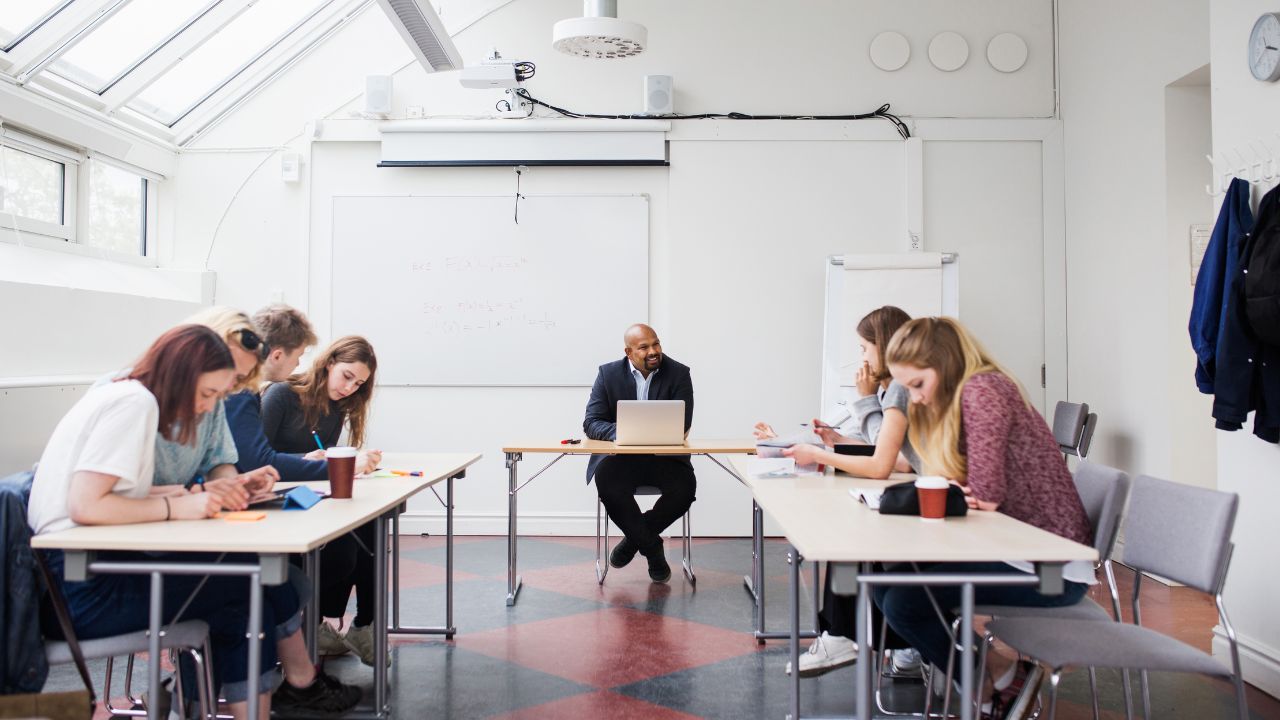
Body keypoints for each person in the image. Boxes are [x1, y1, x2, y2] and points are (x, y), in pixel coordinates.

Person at [28, 325, 361, 719]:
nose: (207, 408)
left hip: (87, 571)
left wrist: (190, 494)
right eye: (207, 394)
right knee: (253, 591)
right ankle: (227, 697)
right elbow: (85, 505)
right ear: (181, 373)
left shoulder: (131, 395)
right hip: (79, 590)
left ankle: (198, 699)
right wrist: (178, 507)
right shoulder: (135, 405)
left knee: (263, 584)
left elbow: (113, 493)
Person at [881, 317, 1093, 705]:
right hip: (1017, 549)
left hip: (1051, 567)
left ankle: (982, 683)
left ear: (943, 366)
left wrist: (968, 493)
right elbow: (964, 488)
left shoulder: (984, 391)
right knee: (886, 583)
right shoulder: (969, 394)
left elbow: (987, 494)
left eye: (917, 385)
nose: (915, 398)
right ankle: (992, 672)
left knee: (902, 600)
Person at [758, 306, 923, 678]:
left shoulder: (899, 386)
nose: (861, 357)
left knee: (850, 533)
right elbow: (893, 455)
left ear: (885, 346)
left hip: (922, 499)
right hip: (915, 488)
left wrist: (826, 446)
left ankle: (844, 636)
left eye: (865, 347)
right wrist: (840, 441)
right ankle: (887, 640)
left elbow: (889, 460)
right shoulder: (893, 387)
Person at [261, 336, 383, 665]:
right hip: (275, 501)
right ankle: (311, 625)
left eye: (358, 384)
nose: (349, 388)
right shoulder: (281, 395)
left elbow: (320, 465)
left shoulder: (335, 408)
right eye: (347, 376)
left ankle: (364, 624)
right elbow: (258, 460)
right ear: (329, 363)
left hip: (307, 498)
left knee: (372, 527)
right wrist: (310, 459)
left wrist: (345, 461)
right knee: (343, 553)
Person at [584, 323, 695, 584]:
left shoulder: (678, 373)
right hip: (621, 459)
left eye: (656, 344)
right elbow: (591, 422)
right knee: (609, 486)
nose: (653, 351)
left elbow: (683, 423)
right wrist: (622, 431)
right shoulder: (607, 374)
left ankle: (633, 540)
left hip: (665, 458)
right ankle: (653, 550)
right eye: (644, 347)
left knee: (685, 489)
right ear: (629, 352)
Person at [227, 305, 378, 481]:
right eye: (298, 355)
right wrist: (343, 467)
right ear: (277, 355)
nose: (298, 364)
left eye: (358, 383)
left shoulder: (246, 391)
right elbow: (258, 461)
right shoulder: (242, 391)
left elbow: (233, 463)